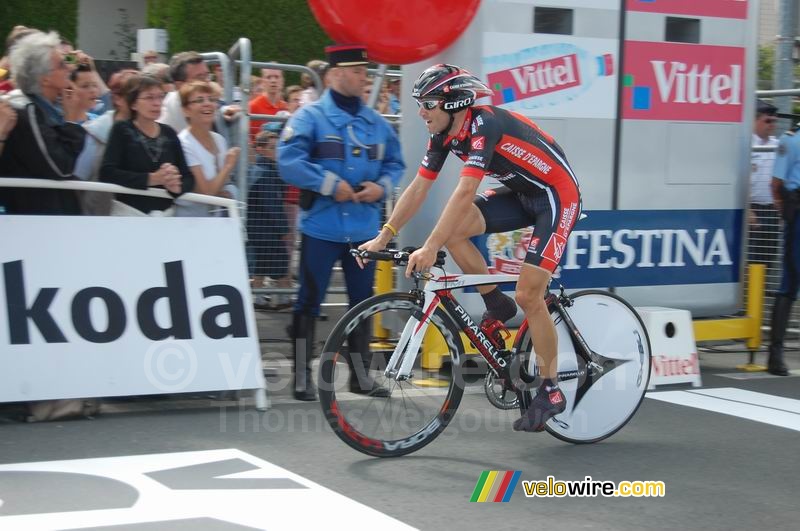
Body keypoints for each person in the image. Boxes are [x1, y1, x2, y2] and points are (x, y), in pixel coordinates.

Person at [359, 64, 582, 432]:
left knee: (529, 295)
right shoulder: (444, 133)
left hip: (556, 197)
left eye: (428, 103)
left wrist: (429, 247)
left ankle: (551, 388)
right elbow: (418, 187)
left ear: (455, 103)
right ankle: (496, 302)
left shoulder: (484, 125)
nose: (421, 112)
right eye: (420, 103)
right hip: (524, 192)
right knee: (456, 231)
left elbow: (464, 193)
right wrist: (385, 235)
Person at [277, 44, 405, 401]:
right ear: (335, 74)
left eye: (365, 71)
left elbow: (396, 165)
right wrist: (329, 184)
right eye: (358, 71)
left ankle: (361, 376)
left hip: (363, 233)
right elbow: (287, 159)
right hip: (321, 229)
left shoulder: (376, 124)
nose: (365, 77)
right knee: (309, 301)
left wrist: (380, 187)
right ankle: (302, 375)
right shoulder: (310, 117)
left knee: (362, 301)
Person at [0, 30, 86, 215]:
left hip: (50, 218)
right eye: (62, 64)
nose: (70, 68)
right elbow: (60, 168)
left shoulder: (44, 108)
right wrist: (71, 122)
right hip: (36, 221)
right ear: (44, 78)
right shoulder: (25, 110)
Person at [100, 74, 194, 215]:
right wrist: (151, 179)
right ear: (133, 104)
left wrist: (176, 186)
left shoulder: (169, 133)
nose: (157, 103)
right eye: (149, 97)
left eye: (160, 97)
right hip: (129, 215)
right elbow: (107, 173)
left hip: (166, 217)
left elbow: (188, 177)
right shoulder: (122, 130)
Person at [175, 80, 240, 216]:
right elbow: (207, 192)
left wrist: (226, 191)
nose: (207, 104)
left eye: (211, 99)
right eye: (199, 100)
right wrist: (228, 166)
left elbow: (222, 185)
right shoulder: (183, 143)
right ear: (186, 110)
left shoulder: (219, 139)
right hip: (190, 223)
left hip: (217, 221)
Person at [767, 120, 800, 377]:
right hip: (797, 212)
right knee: (790, 280)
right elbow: (776, 184)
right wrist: (786, 211)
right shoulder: (790, 140)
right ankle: (775, 354)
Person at [749, 99, 780, 266]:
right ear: (755, 120)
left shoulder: (778, 146)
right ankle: (747, 292)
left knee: (768, 257)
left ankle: (761, 292)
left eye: (774, 121)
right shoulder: (747, 144)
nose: (772, 124)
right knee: (751, 258)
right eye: (768, 120)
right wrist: (747, 209)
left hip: (772, 210)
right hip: (753, 210)